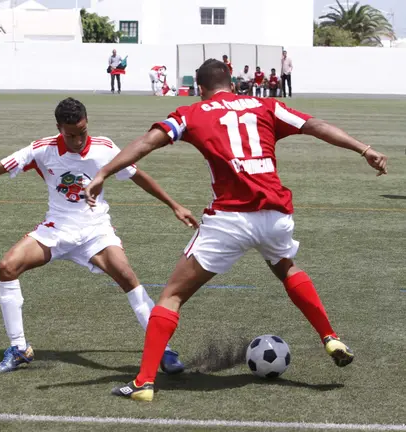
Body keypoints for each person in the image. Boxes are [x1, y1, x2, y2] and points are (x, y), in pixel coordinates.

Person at [84, 59, 388, 401]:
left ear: (200, 88)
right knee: (287, 268)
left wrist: (103, 173)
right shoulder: (265, 105)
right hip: (275, 215)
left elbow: (146, 143)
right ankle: (329, 336)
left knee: (172, 296)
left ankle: (143, 383)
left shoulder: (191, 113)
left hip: (229, 220)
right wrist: (364, 148)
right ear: (232, 83)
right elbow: (315, 125)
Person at [0, 97, 198, 375]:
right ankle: (19, 348)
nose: (78, 141)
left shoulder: (104, 148)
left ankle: (163, 350)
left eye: (82, 132)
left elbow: (138, 175)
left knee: (128, 278)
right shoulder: (42, 149)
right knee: (7, 267)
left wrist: (175, 205)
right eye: (70, 135)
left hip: (96, 231)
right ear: (59, 128)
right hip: (56, 231)